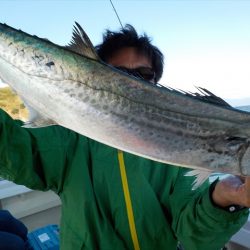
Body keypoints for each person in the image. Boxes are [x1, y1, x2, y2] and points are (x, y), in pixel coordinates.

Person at [0, 24, 249, 250]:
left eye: (144, 75)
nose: (131, 83)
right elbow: (11, 151)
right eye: (118, 73)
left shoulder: (178, 163)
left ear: (155, 83)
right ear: (90, 71)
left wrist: (226, 200)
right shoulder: (68, 140)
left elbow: (195, 237)